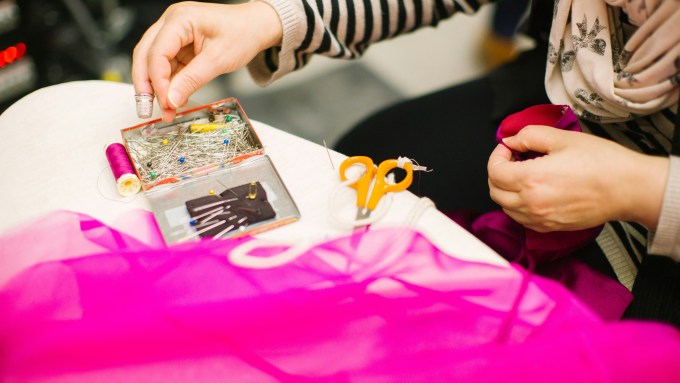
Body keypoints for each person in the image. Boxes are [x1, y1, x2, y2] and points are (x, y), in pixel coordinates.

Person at [132, 0, 680, 325]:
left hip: (659, 248)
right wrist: (272, 18)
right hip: (546, 110)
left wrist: (644, 189)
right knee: (357, 162)